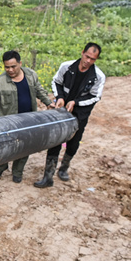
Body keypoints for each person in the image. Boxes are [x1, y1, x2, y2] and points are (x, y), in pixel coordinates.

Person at [0, 50, 53, 183]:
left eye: (13, 66)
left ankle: (17, 171)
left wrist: (49, 103)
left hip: (28, 120)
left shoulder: (31, 75)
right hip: (8, 122)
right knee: (5, 146)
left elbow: (39, 91)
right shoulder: (0, 81)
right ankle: (2, 165)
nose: (10, 70)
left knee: (25, 146)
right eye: (7, 67)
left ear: (20, 63)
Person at [34, 42, 105, 188]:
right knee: (55, 140)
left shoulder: (98, 76)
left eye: (92, 59)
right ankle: (48, 176)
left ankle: (64, 167)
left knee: (74, 142)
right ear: (82, 52)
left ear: (96, 59)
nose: (88, 61)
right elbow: (56, 82)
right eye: (87, 56)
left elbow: (95, 97)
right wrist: (60, 97)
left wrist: (76, 102)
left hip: (80, 113)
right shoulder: (66, 67)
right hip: (61, 109)